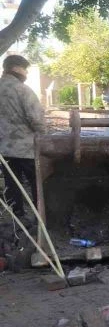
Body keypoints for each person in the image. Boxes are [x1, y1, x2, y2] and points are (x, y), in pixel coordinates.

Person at [0, 55, 46, 223]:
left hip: (5, 149)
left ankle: (17, 218)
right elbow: (36, 119)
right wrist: (44, 136)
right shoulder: (23, 90)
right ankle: (41, 219)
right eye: (25, 69)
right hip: (27, 149)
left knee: (12, 184)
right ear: (17, 68)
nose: (26, 73)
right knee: (37, 184)